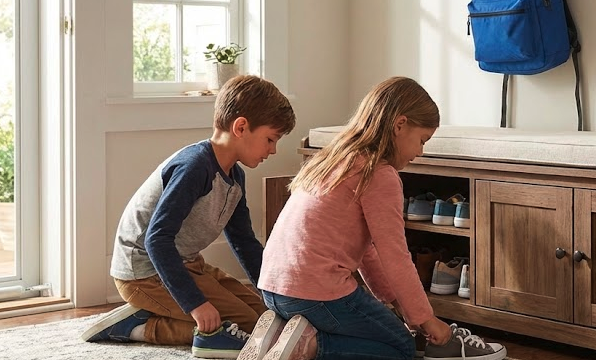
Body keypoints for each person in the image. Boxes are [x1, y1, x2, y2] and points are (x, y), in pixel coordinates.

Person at [242, 76, 506, 360]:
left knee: (383, 333)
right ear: (400, 124)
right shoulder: (379, 174)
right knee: (400, 348)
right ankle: (311, 345)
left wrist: (396, 303)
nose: (420, 152)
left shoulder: (332, 159)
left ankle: (283, 334)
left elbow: (366, 251)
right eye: (422, 140)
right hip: (313, 293)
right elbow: (396, 256)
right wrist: (425, 318)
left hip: (273, 288)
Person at [81, 75, 297, 359]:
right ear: (241, 127)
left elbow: (243, 241)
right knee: (247, 326)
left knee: (265, 318)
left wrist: (272, 293)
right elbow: (156, 240)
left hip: (184, 263)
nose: (273, 150)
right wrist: (195, 304)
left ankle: (160, 310)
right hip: (144, 273)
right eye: (270, 139)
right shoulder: (194, 167)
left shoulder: (235, 175)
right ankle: (139, 326)